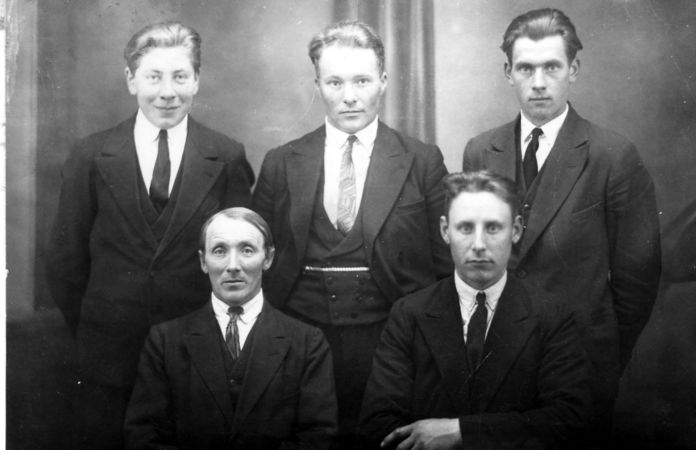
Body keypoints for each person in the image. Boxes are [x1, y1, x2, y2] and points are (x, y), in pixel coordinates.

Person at [46, 22, 254, 448]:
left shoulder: (226, 156)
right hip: (108, 356)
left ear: (197, 80)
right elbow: (66, 262)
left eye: (180, 76)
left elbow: (244, 263)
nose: (167, 92)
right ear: (131, 80)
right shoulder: (91, 155)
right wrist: (100, 326)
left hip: (197, 355)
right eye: (154, 77)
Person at [461, 8, 661, 444]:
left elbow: (637, 281)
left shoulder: (612, 156)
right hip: (496, 361)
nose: (538, 82)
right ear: (508, 73)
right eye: (525, 68)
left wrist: (600, 357)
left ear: (573, 69)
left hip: (579, 367)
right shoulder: (481, 150)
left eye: (551, 67)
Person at [252, 20, 451, 445]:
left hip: (391, 342)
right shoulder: (281, 162)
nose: (349, 96)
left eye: (362, 80)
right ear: (317, 85)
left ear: (383, 81)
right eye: (334, 82)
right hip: (300, 340)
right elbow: (256, 263)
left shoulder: (422, 161)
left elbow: (444, 267)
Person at [359, 171, 591, 449]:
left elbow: (569, 421)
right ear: (445, 230)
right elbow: (378, 424)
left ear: (516, 230)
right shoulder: (409, 314)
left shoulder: (551, 316)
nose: (479, 245)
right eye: (466, 228)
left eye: (493, 228)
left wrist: (462, 433)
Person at [124, 208, 337, 449]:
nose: (233, 265)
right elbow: (143, 436)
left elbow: (318, 439)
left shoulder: (308, 343)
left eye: (247, 250)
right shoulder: (164, 341)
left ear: (268, 258)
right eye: (219, 251)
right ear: (203, 261)